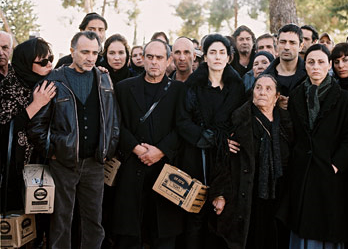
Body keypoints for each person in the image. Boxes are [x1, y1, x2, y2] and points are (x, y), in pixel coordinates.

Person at [28, 31, 120, 249]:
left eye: (95, 53)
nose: (90, 57)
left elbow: (113, 119)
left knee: (93, 222)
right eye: (85, 52)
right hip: (63, 163)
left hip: (95, 163)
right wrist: (53, 151)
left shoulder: (104, 78)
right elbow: (36, 125)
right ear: (72, 52)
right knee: (61, 221)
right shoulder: (54, 80)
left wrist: (109, 148)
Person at [112, 39, 185, 249]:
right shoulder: (124, 88)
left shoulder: (178, 90)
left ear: (168, 60)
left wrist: (161, 151)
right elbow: (117, 124)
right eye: (150, 57)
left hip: (165, 171)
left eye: (159, 58)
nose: (154, 62)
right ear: (142, 59)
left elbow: (182, 126)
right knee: (129, 234)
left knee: (163, 235)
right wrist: (137, 148)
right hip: (132, 168)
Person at [282, 44, 348, 247]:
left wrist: (336, 164)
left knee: (327, 226)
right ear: (305, 66)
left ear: (329, 65)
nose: (316, 66)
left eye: (321, 62)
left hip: (329, 173)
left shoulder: (345, 99)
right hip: (302, 172)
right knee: (302, 225)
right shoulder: (296, 95)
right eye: (311, 62)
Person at [176, 34, 245, 248]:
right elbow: (182, 121)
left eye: (221, 52)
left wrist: (226, 142)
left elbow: (240, 123)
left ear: (228, 57)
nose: (217, 57)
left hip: (226, 162)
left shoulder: (237, 88)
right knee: (195, 216)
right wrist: (214, 139)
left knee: (221, 217)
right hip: (196, 156)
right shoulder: (192, 86)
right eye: (212, 52)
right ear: (204, 57)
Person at [217, 74, 293, 248]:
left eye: (268, 89)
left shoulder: (285, 122)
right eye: (258, 87)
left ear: (276, 97)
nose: (262, 92)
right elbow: (224, 163)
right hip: (249, 193)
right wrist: (220, 194)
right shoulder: (240, 121)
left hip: (279, 194)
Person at [0, 38, 56, 249]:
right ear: (25, 63)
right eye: (42, 62)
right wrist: (35, 105)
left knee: (41, 223)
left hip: (44, 167)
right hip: (13, 171)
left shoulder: (50, 85)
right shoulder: (7, 89)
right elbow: (4, 131)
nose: (49, 65)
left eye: (51, 59)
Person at [264, 24, 306, 110]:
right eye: (283, 42)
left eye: (292, 43)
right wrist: (273, 102)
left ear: (301, 46)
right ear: (277, 44)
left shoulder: (310, 75)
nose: (286, 47)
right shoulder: (265, 76)